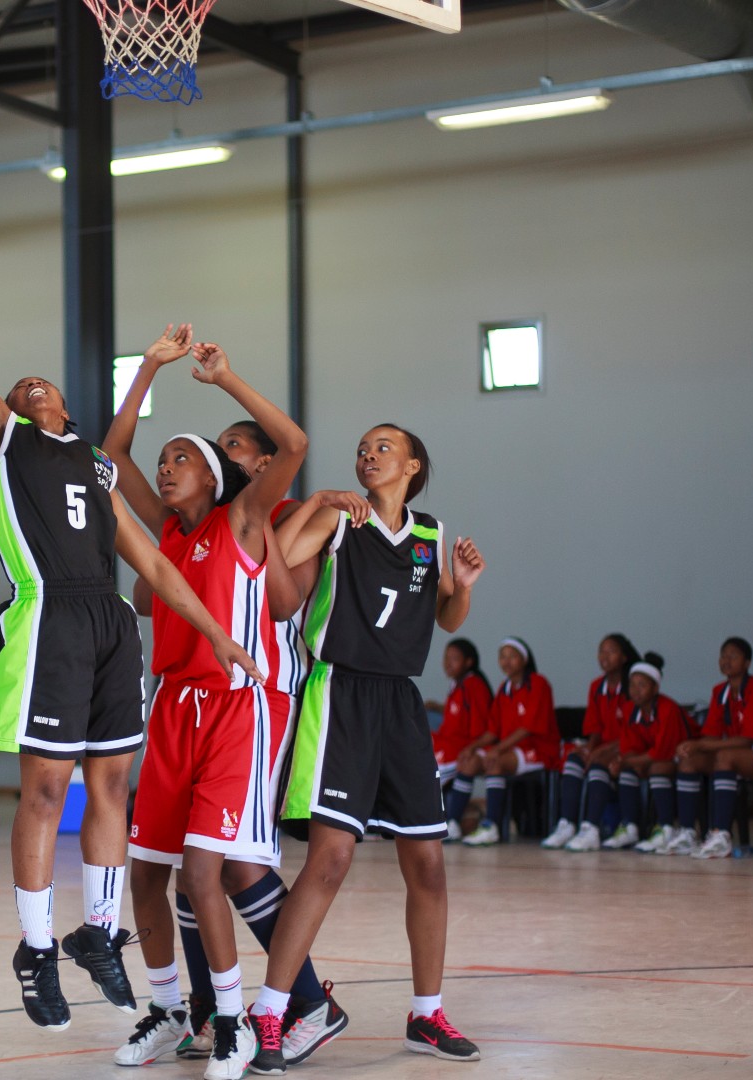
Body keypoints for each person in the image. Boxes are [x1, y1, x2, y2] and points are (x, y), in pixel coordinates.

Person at [0, 198, 263, 1059]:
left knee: (111, 787)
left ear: (64, 405)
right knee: (46, 791)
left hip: (111, 624)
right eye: (20, 385)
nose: (31, 386)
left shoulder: (93, 464)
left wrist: (217, 631)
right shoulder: (1, 437)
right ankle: (36, 947)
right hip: (47, 614)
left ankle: (96, 931)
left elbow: (153, 564)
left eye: (41, 384)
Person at [101, 328, 308, 1079]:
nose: (165, 467)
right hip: (170, 710)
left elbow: (293, 443)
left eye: (180, 458)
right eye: (164, 460)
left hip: (233, 709)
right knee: (144, 872)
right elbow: (111, 454)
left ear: (215, 476)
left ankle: (230, 1022)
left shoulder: (243, 520)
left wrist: (225, 378)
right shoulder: (165, 532)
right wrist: (149, 367)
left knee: (202, 871)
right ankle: (168, 1010)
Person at [250, 424, 487, 1068]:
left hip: (401, 703)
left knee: (429, 865)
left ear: (413, 465)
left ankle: (426, 1014)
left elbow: (446, 617)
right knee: (329, 861)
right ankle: (270, 1011)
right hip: (341, 694)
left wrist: (463, 585)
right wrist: (314, 504)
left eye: (383, 447)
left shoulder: (429, 534)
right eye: (362, 448)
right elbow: (273, 560)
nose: (368, 455)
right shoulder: (340, 520)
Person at [124, 415, 345, 1067]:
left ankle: (302, 1001)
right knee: (194, 866)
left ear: (263, 464)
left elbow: (282, 601)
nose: (217, 455)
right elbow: (147, 593)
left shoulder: (283, 519)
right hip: (192, 697)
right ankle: (200, 1009)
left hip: (259, 696)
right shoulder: (193, 525)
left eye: (231, 447)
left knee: (229, 865)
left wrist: (297, 510)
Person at [671, 637, 753, 859]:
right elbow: (711, 735)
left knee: (724, 756)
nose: (726, 660)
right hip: (736, 754)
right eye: (723, 656)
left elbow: (748, 739)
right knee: (688, 760)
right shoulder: (719, 691)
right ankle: (687, 833)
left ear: (747, 663)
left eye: (733, 656)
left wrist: (701, 744)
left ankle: (721, 835)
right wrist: (691, 747)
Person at [456, 638, 559, 848]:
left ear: (524, 659)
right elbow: (492, 730)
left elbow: (528, 728)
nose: (506, 661)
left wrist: (497, 749)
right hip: (510, 749)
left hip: (539, 749)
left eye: (512, 656)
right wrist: (471, 748)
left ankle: (491, 826)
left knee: (496, 762)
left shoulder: (538, 683)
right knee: (469, 763)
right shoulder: (505, 688)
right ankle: (453, 823)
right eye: (502, 657)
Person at [542, 634, 640, 851]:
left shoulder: (633, 687)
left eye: (611, 651)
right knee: (574, 759)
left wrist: (599, 752)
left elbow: (632, 732)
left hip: (629, 746)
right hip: (605, 747)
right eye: (601, 651)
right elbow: (594, 728)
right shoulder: (596, 686)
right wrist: (589, 747)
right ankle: (567, 824)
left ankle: (591, 828)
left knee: (598, 763)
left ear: (624, 657)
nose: (605, 656)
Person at [430, 639, 494, 842]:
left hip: (463, 746)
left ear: (468, 662)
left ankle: (448, 822)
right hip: (449, 743)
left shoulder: (474, 685)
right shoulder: (457, 684)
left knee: (426, 774)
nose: (448, 663)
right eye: (446, 658)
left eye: (454, 658)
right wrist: (438, 707)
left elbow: (480, 729)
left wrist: (472, 748)